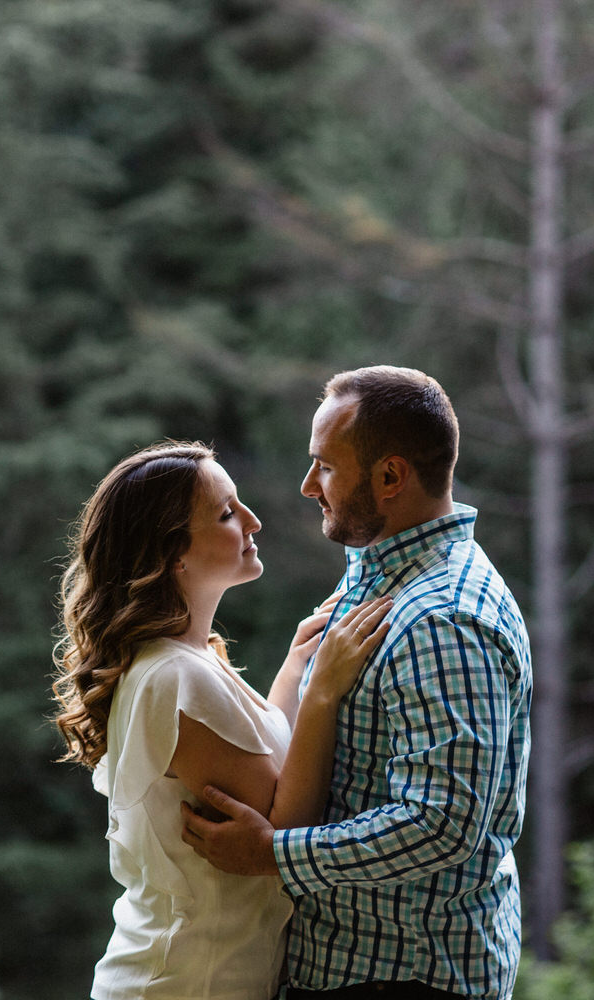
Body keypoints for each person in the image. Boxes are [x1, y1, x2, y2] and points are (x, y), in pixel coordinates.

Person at [180, 366, 533, 1000]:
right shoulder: (377, 569)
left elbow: (442, 824)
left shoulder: (443, 618)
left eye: (326, 467)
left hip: (404, 978)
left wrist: (275, 854)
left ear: (391, 476)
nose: (308, 485)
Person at [53, 440, 394, 1000]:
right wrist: (324, 690)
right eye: (228, 513)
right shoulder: (175, 679)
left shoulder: (185, 660)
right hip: (185, 983)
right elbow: (283, 827)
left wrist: (294, 667)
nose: (253, 520)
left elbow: (261, 762)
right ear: (174, 555)